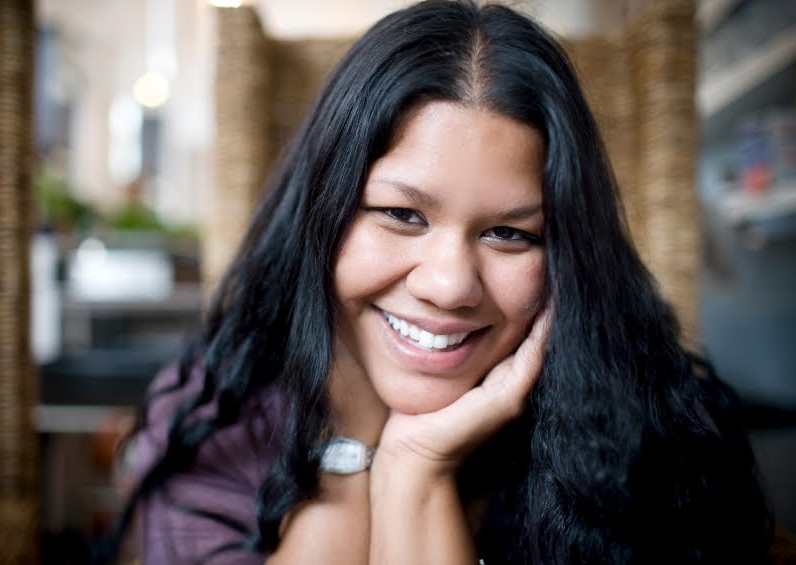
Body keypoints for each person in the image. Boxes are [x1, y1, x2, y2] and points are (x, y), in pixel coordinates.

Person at [101, 1, 773, 563]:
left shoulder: (656, 441)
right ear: (321, 218)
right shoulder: (215, 417)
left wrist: (414, 469)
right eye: (402, 215)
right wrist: (348, 446)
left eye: (509, 233)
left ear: (569, 255)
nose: (450, 286)